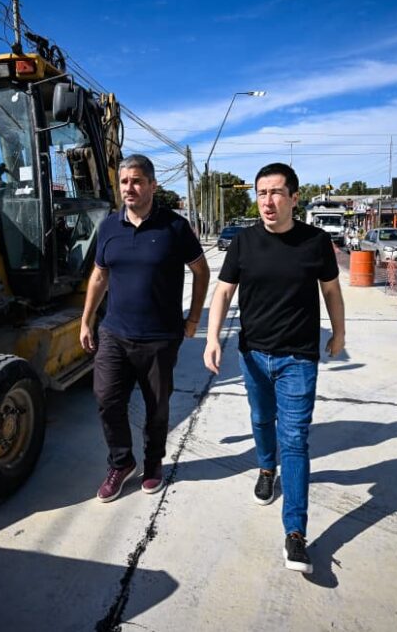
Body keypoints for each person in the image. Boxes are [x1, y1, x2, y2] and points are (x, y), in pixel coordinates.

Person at [203, 162, 346, 574]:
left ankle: (295, 533)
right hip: (252, 354)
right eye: (262, 193)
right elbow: (224, 292)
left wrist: (339, 333)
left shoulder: (316, 242)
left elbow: (332, 291)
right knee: (262, 420)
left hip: (299, 357)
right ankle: (267, 467)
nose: (268, 201)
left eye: (276, 192)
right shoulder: (244, 243)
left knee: (296, 439)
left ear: (294, 197)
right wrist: (212, 338)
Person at [80, 154, 210, 502]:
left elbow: (201, 271)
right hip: (114, 333)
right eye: (124, 182)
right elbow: (99, 275)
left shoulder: (174, 227)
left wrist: (194, 318)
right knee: (107, 399)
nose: (129, 188)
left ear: (153, 185)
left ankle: (153, 464)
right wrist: (86, 319)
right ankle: (121, 463)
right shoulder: (108, 227)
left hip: (160, 337)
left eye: (137, 181)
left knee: (157, 408)